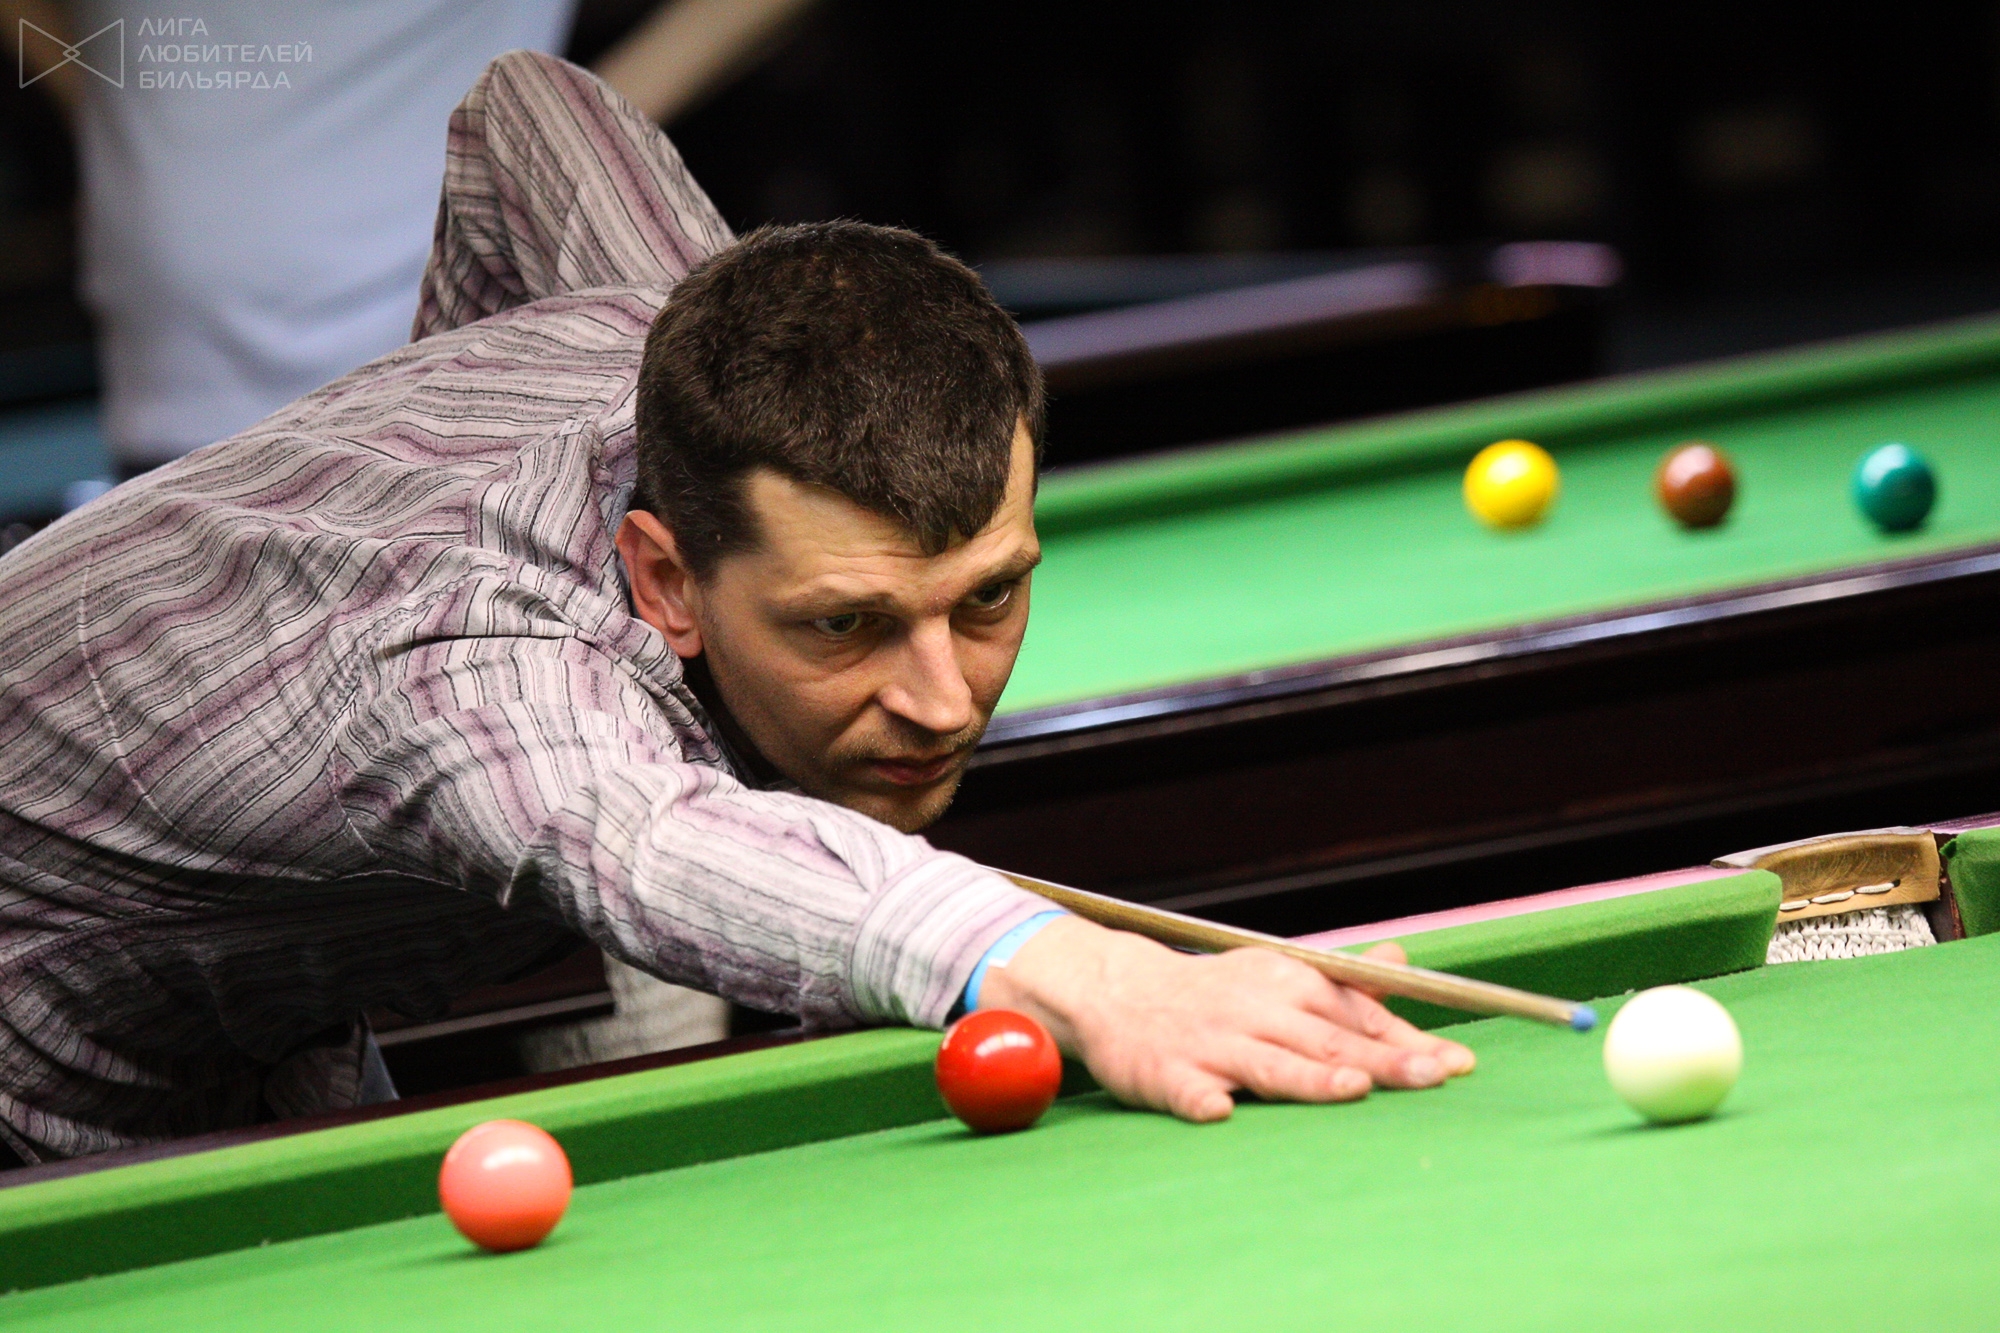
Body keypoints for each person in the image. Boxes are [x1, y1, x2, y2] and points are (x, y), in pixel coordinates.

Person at [0, 52, 1471, 1164]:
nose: (945, 699)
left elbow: (525, 109)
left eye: (989, 597)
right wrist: (1085, 972)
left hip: (258, 997)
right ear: (661, 578)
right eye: (845, 624)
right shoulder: (473, 668)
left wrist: (453, 398)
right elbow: (637, 832)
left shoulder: (697, 346)